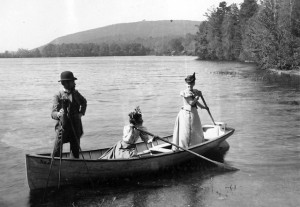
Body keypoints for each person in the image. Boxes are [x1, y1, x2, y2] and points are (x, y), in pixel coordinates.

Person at [51, 71, 87, 158]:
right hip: (63, 127)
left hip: (75, 126)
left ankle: (74, 163)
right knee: (57, 148)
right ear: (65, 83)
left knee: (75, 149)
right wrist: (59, 114)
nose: (74, 83)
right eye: (72, 81)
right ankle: (54, 162)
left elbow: (84, 102)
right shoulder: (58, 95)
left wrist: (81, 113)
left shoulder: (76, 94)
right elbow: (53, 113)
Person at [172, 72, 208, 150]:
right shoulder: (185, 92)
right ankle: (185, 147)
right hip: (186, 114)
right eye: (188, 85)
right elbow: (191, 103)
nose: (190, 86)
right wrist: (196, 97)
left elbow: (196, 103)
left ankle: (196, 145)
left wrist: (204, 107)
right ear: (186, 84)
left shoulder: (194, 91)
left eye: (191, 84)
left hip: (193, 113)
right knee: (188, 131)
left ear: (194, 83)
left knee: (197, 128)